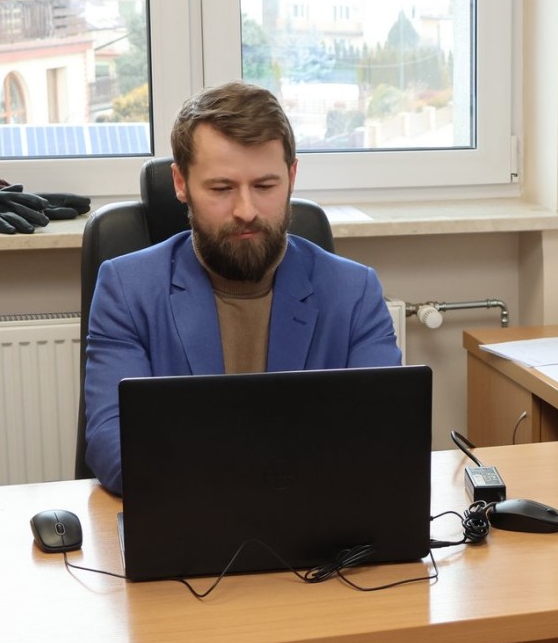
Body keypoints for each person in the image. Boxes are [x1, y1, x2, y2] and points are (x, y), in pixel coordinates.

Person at [82, 82, 400, 493]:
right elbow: (115, 446)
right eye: (221, 188)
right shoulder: (127, 289)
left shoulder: (354, 292)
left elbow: (385, 437)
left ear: (292, 177)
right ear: (181, 182)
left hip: (315, 523)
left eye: (265, 186)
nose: (246, 211)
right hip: (188, 523)